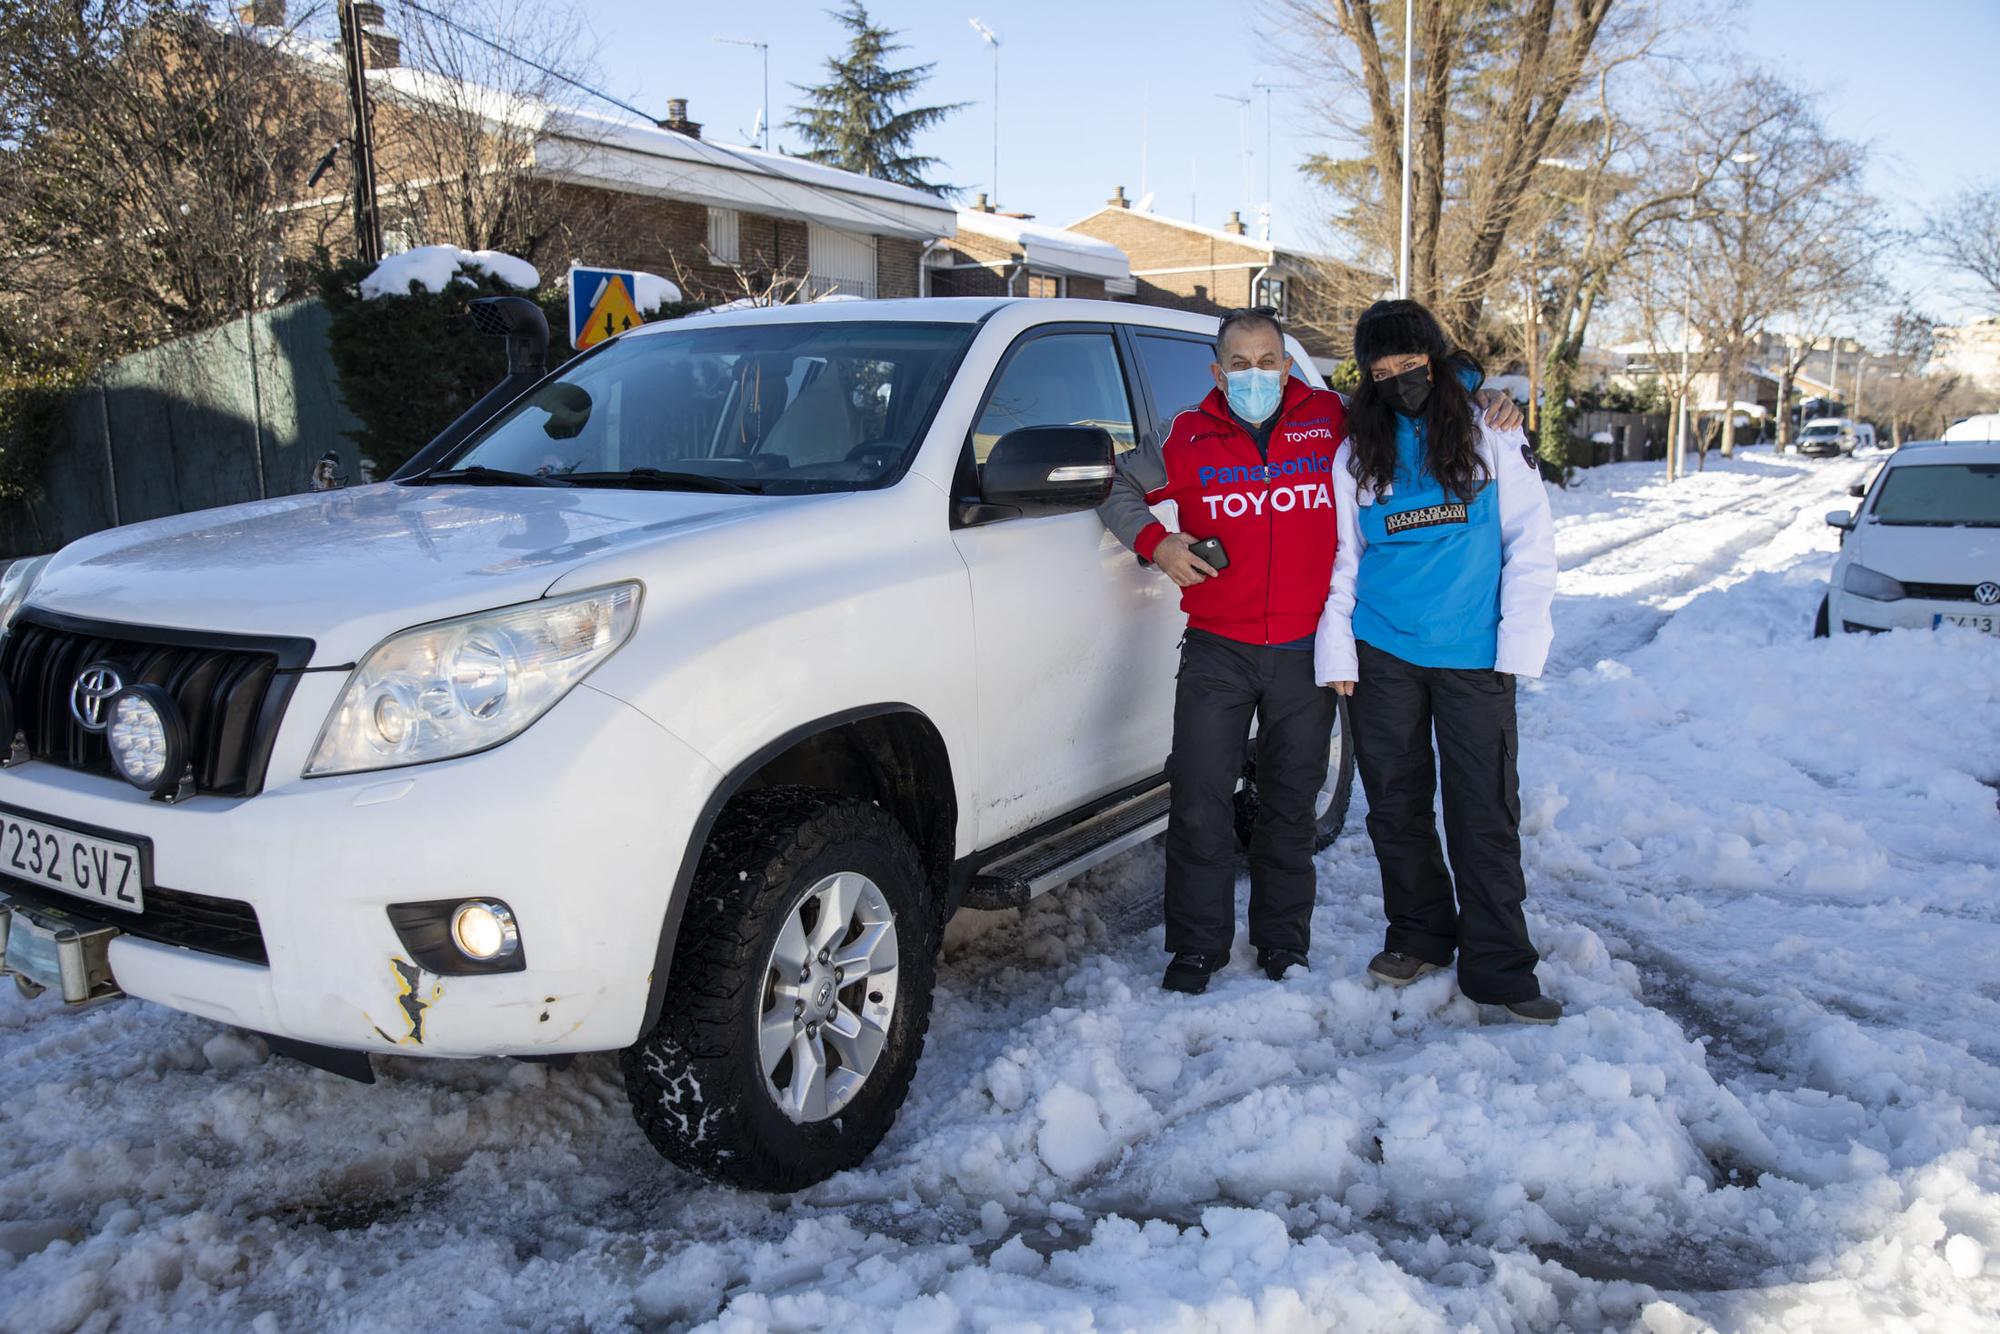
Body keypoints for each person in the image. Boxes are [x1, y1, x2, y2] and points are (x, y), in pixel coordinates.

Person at [1098, 307, 1522, 995]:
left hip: (1304, 648)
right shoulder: (1187, 433)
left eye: (1268, 360)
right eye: (1239, 363)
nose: (1255, 374)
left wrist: (1488, 396)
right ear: (1217, 371)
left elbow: (1417, 399)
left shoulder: (1332, 420)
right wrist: (1158, 542)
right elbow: (1117, 483)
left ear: (1288, 364)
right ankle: (1197, 946)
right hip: (1218, 647)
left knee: (1288, 806)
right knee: (1201, 797)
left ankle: (1282, 943)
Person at [1313, 299, 1561, 1023]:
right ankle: (1419, 932)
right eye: (1380, 370)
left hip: (1472, 655)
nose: (1396, 379)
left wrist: (1515, 645)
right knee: (1395, 804)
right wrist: (1339, 648)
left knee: (1483, 810)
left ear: (1434, 358)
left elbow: (1530, 543)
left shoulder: (1490, 432)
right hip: (1384, 649)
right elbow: (1343, 558)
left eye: (1408, 364)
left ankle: (1501, 968)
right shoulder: (1357, 450)